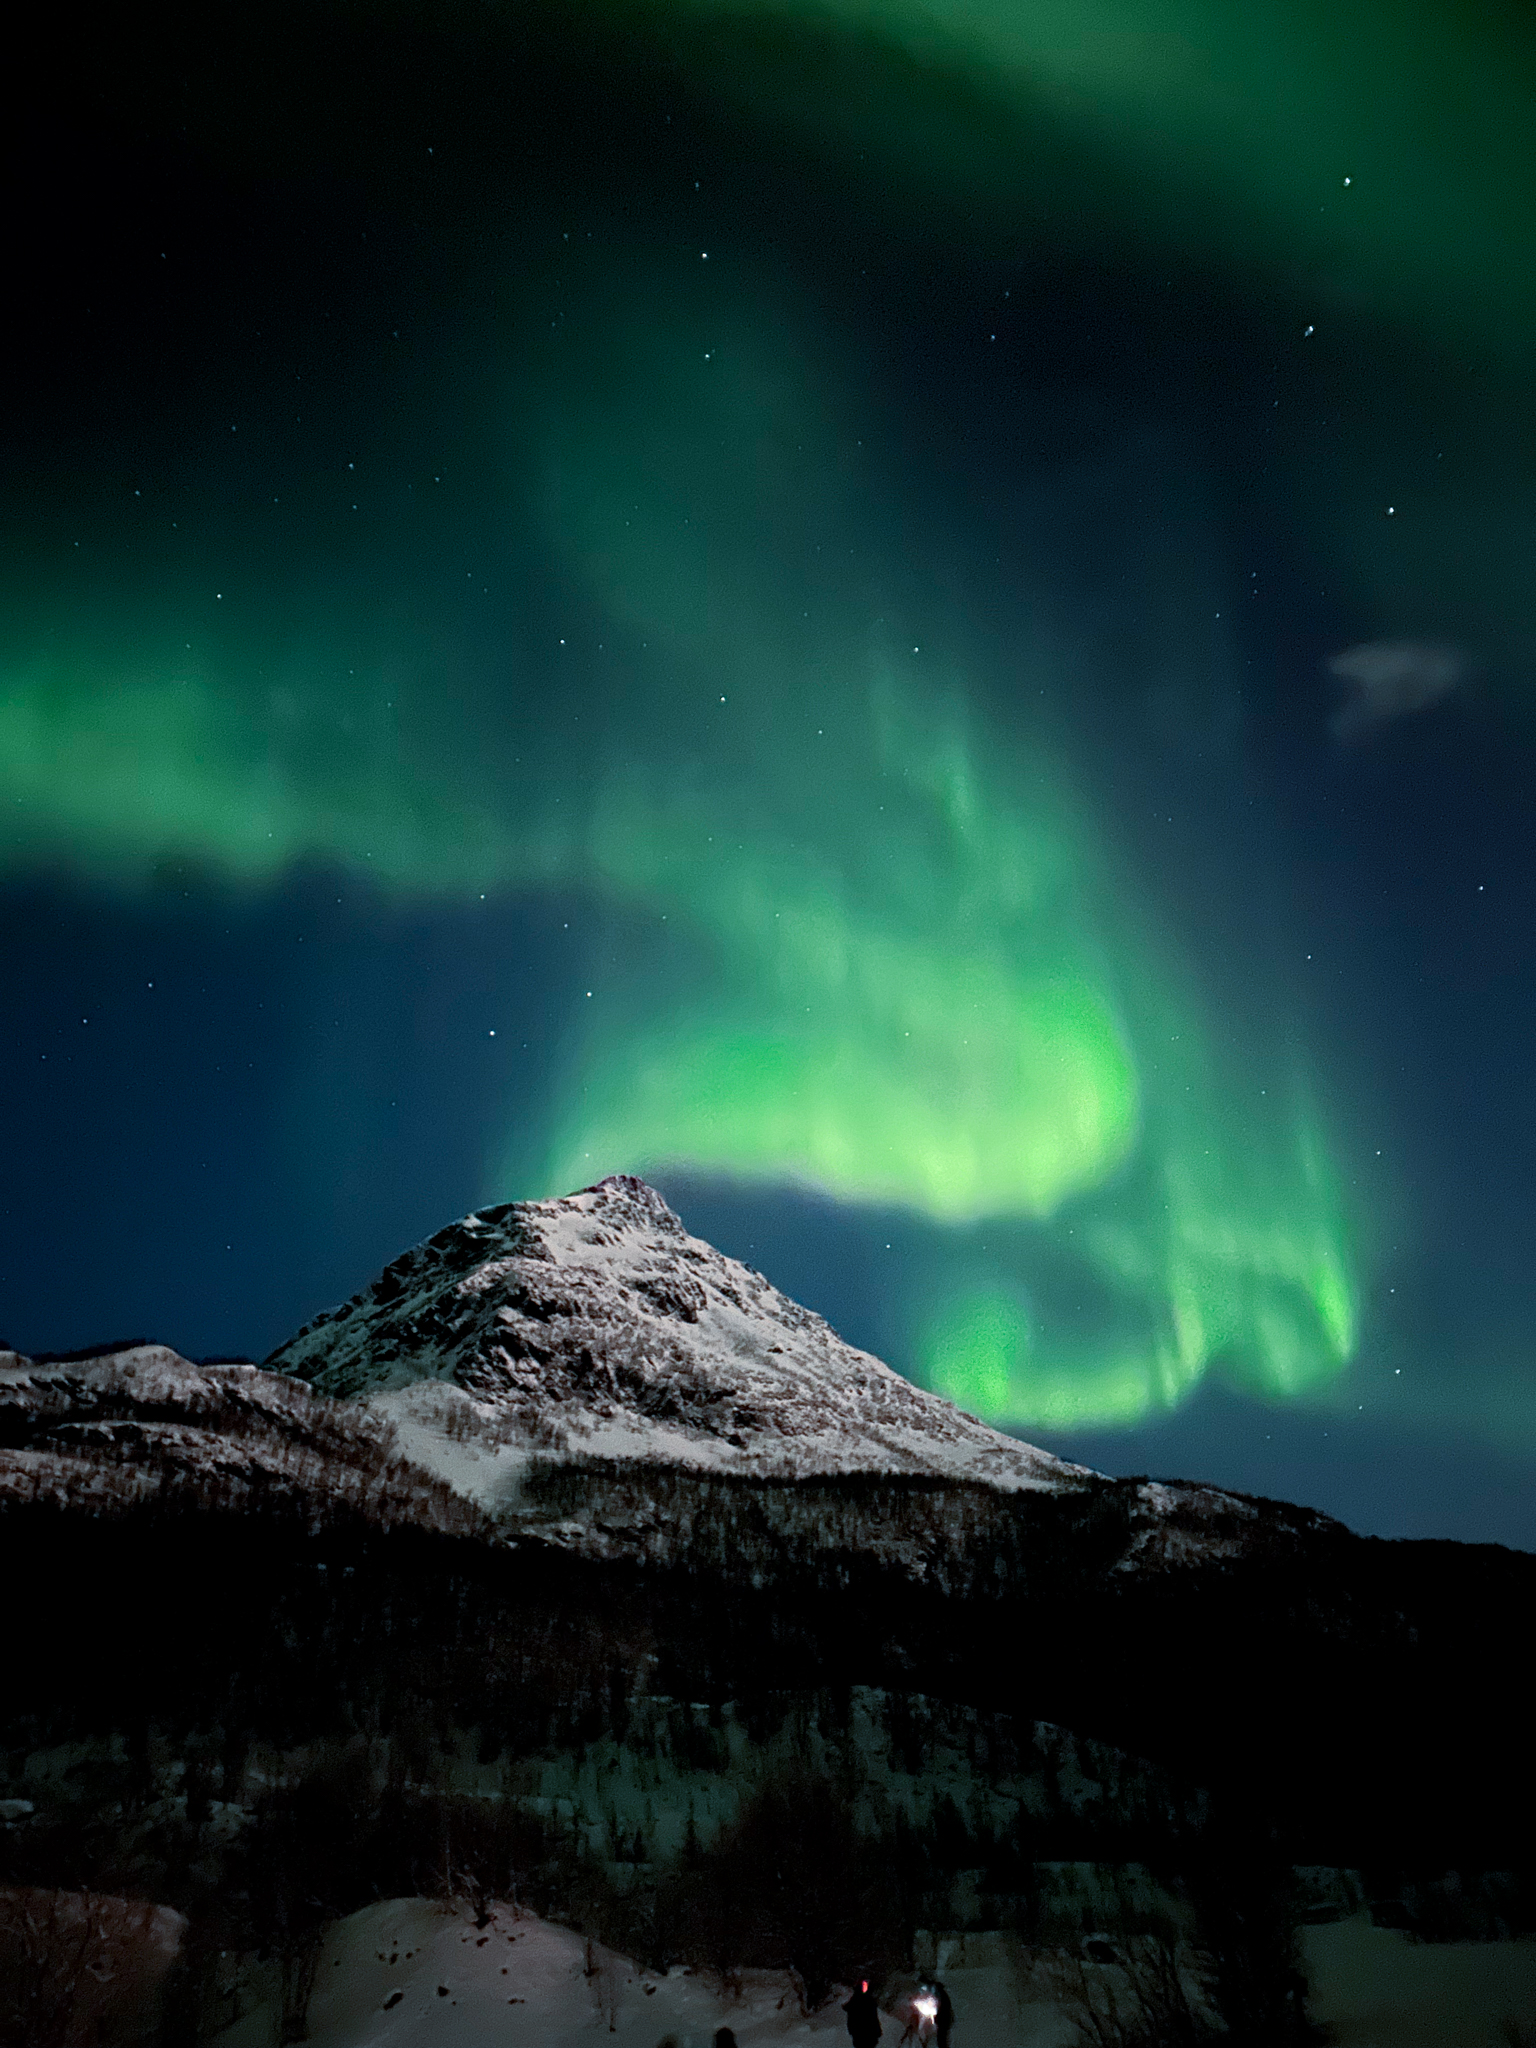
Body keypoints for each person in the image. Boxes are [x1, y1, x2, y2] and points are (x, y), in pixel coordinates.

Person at [844, 1975, 883, 2046]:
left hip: (864, 2034)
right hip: (863, 2033)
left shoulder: (861, 2000)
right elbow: (873, 2017)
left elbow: (874, 2017)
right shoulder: (864, 2000)